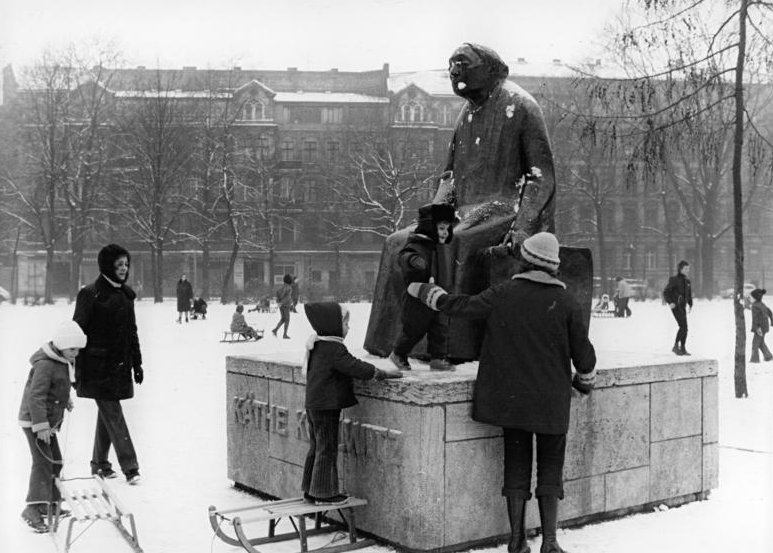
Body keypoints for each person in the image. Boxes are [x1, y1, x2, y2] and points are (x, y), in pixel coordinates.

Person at [365, 42, 557, 361]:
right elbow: (450, 178)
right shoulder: (466, 115)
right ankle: (389, 343)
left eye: (463, 63)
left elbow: (541, 176)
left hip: (505, 213)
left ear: (489, 69)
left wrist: (523, 227)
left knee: (448, 245)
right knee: (398, 243)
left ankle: (447, 349)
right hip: (463, 213)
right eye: (451, 63)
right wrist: (429, 222)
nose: (455, 71)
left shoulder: (521, 106)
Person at [407, 232, 596, 553]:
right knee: (551, 467)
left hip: (513, 402)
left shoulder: (505, 293)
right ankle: (550, 542)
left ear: (526, 260)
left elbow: (462, 306)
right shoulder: (566, 302)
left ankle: (516, 540)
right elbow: (584, 356)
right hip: (551, 402)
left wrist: (431, 294)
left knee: (516, 464)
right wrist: (584, 381)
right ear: (552, 266)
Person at [301, 302, 402, 505]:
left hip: (315, 405)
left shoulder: (319, 344)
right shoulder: (333, 347)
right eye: (346, 323)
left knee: (317, 445)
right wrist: (379, 372)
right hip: (326, 407)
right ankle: (325, 493)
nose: (348, 328)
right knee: (327, 447)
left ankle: (311, 489)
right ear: (333, 326)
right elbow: (353, 366)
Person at [73, 244, 143, 484]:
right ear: (107, 266)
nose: (123, 269)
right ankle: (131, 468)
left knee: (107, 415)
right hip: (96, 369)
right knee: (114, 414)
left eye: (126, 264)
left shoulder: (126, 295)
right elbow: (76, 332)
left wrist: (137, 363)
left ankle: (100, 465)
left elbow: (131, 332)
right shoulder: (90, 294)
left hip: (120, 367)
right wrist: (74, 367)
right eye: (119, 264)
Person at [18, 321, 87, 533]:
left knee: (55, 461)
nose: (75, 354)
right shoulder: (46, 364)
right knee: (43, 462)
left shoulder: (61, 361)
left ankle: (50, 504)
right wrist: (40, 425)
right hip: (36, 423)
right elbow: (36, 395)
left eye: (78, 349)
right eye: (72, 349)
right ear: (61, 345)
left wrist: (65, 401)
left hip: (48, 422)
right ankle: (32, 509)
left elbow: (57, 388)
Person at [389, 203, 457, 372]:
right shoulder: (417, 244)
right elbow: (404, 256)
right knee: (414, 328)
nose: (445, 233)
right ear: (430, 227)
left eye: (447, 229)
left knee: (440, 327)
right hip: (418, 296)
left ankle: (438, 358)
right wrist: (414, 262)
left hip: (439, 293)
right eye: (441, 228)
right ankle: (398, 353)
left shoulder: (439, 247)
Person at [663, 260, 693, 356]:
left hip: (683, 306)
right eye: (685, 268)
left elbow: (688, 294)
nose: (687, 270)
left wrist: (690, 303)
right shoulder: (674, 279)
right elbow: (666, 292)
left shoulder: (687, 281)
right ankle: (676, 347)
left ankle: (683, 348)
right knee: (683, 326)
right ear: (680, 269)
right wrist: (670, 302)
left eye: (688, 268)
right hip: (676, 306)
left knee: (685, 328)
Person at [749, 288, 773, 363]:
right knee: (761, 342)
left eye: (751, 297)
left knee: (755, 344)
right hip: (765, 327)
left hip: (759, 327)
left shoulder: (755, 306)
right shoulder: (761, 304)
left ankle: (754, 360)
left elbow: (755, 318)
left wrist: (756, 328)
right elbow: (769, 312)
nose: (750, 298)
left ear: (755, 298)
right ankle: (768, 356)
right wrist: (772, 320)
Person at [272, 274, 294, 339]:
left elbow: (277, 294)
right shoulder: (289, 288)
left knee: (283, 318)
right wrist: (282, 302)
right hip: (286, 305)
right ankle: (284, 334)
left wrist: (279, 302)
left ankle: (275, 330)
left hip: (281, 305)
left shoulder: (281, 287)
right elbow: (287, 297)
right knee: (287, 320)